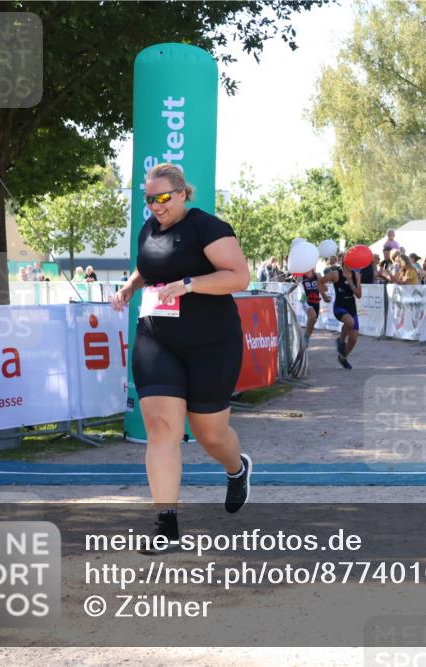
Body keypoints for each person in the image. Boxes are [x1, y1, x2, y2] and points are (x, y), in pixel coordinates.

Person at [109, 162, 252, 552]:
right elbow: (148, 266)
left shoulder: (208, 228)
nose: (155, 206)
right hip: (157, 338)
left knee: (210, 433)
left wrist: (189, 285)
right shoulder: (149, 229)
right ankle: (166, 524)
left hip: (211, 343)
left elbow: (239, 276)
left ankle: (237, 469)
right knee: (161, 429)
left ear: (183, 193)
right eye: (148, 199)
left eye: (162, 198)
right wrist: (127, 288)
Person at [318, 263, 362, 369]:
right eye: (351, 261)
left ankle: (342, 357)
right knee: (350, 322)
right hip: (340, 307)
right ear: (344, 262)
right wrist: (323, 296)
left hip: (352, 307)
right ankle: (341, 340)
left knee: (353, 339)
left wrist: (352, 284)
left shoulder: (356, 275)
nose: (353, 263)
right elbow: (320, 281)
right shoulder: (335, 274)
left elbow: (359, 295)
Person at [299, 267, 326, 341]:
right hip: (305, 300)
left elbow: (325, 288)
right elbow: (294, 285)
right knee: (312, 315)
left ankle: (306, 338)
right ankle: (305, 339)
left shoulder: (318, 275)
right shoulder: (301, 276)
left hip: (316, 302)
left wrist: (320, 281)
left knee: (313, 321)